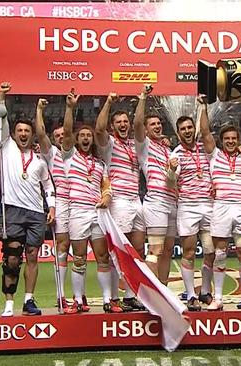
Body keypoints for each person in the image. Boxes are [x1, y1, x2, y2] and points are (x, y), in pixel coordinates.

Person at [0, 82, 56, 316]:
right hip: (13, 210)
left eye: (27, 132)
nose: (23, 134)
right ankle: (9, 302)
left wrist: (51, 207)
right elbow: (2, 118)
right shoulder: (7, 147)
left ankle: (28, 300)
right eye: (19, 131)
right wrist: (1, 97)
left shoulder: (40, 159)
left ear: (32, 135)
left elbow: (48, 184)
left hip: (36, 213)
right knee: (11, 258)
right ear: (13, 134)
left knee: (32, 256)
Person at [60, 89, 121, 314]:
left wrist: (106, 198)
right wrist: (69, 108)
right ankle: (77, 300)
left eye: (89, 136)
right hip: (77, 212)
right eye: (82, 136)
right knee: (78, 258)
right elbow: (66, 131)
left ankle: (107, 300)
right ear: (77, 139)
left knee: (103, 257)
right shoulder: (69, 157)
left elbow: (106, 187)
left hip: (97, 213)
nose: (86, 138)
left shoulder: (100, 163)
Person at [200, 96, 241, 311]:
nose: (230, 141)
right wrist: (203, 107)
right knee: (219, 253)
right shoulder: (214, 156)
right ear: (222, 140)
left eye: (234, 138)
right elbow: (205, 133)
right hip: (220, 208)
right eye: (226, 138)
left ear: (238, 139)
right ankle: (218, 298)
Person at [95, 85, 149, 311]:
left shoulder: (135, 145)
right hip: (118, 201)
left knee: (137, 251)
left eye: (125, 121)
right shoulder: (109, 145)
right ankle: (112, 298)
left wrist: (142, 99)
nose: (124, 125)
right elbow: (98, 130)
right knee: (118, 251)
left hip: (136, 200)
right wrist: (108, 102)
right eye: (119, 122)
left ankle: (129, 296)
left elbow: (139, 124)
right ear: (113, 126)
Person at [168, 114, 216, 311]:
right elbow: (171, 182)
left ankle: (205, 292)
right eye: (183, 129)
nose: (187, 131)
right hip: (188, 207)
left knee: (211, 252)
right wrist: (171, 171)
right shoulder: (175, 155)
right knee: (188, 252)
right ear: (178, 133)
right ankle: (191, 295)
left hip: (209, 205)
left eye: (189, 127)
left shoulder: (206, 149)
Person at [34, 99, 71, 310]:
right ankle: (61, 295)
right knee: (63, 248)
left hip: (83, 202)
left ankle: (80, 296)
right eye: (56, 136)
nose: (59, 138)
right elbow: (40, 133)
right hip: (62, 202)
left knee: (82, 252)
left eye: (63, 135)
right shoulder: (52, 154)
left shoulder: (79, 152)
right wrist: (39, 110)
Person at [136, 106, 177, 284]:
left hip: (172, 202)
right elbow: (137, 123)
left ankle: (164, 290)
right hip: (156, 202)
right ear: (145, 129)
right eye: (152, 124)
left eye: (159, 123)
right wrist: (143, 100)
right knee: (155, 249)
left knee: (168, 250)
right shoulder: (144, 145)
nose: (157, 126)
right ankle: (150, 295)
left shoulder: (168, 150)